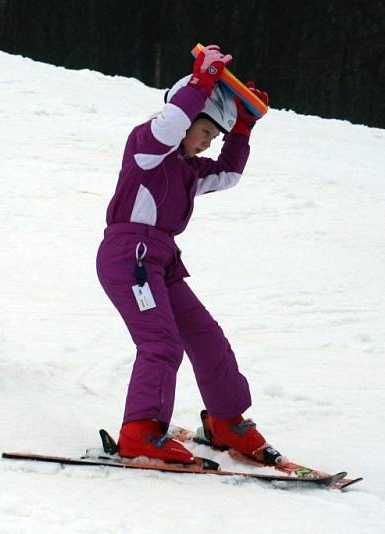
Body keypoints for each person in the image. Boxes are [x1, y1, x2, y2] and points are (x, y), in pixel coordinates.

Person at [96, 45, 273, 464]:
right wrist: (200, 83)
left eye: (214, 137)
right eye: (205, 133)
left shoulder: (189, 171)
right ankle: (140, 431)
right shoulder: (146, 148)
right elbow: (169, 124)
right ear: (186, 118)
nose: (207, 143)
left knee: (206, 336)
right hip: (129, 257)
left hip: (162, 262)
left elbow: (228, 175)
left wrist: (243, 128)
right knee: (160, 342)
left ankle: (227, 420)